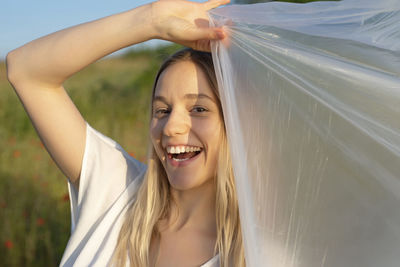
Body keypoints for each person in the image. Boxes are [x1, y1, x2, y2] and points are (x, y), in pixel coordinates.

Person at [6, 0, 244, 266]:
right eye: (162, 110)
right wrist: (152, 19)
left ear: (235, 123)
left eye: (198, 108)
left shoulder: (256, 250)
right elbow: (25, 69)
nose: (171, 127)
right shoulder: (117, 191)